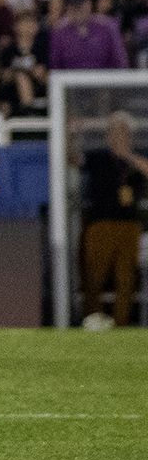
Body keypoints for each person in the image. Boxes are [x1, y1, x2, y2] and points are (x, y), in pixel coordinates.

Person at [79, 112, 146, 329]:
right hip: (100, 223)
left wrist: (128, 155)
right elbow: (73, 159)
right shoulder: (98, 157)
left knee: (126, 279)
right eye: (117, 132)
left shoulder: (135, 159)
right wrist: (70, 135)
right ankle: (93, 321)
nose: (121, 136)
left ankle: (121, 324)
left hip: (128, 225)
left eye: (125, 133)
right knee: (94, 276)